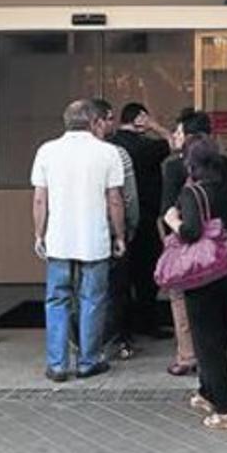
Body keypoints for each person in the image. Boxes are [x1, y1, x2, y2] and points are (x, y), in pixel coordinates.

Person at [31, 99, 126, 382]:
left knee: (57, 299)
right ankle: (88, 361)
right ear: (91, 121)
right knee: (92, 300)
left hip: (58, 239)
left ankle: (57, 365)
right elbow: (115, 200)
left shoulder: (47, 151)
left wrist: (39, 233)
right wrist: (119, 235)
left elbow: (39, 198)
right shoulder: (108, 153)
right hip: (94, 240)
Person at [162, 138, 227, 430]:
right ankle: (208, 393)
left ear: (190, 164)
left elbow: (191, 232)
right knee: (218, 339)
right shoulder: (225, 189)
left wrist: (172, 220)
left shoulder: (191, 193)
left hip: (203, 276)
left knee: (207, 344)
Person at [161, 109, 227, 376]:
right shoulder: (222, 164)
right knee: (215, 305)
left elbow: (168, 209)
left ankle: (187, 355)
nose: (176, 137)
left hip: (188, 241)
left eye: (178, 132)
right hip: (219, 246)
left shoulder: (173, 166)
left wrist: (171, 230)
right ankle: (212, 352)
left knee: (181, 298)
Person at [112, 102, 174, 338]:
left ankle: (124, 327)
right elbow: (175, 142)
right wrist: (155, 126)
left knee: (122, 276)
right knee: (147, 274)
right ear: (139, 119)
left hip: (117, 219)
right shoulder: (148, 146)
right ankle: (147, 323)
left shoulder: (112, 145)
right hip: (145, 217)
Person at [91, 99, 140, 360]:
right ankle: (117, 340)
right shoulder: (117, 154)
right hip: (110, 230)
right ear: (97, 121)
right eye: (110, 118)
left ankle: (85, 341)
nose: (114, 123)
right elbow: (125, 198)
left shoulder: (57, 153)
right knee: (116, 289)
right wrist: (127, 229)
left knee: (84, 291)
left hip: (77, 234)